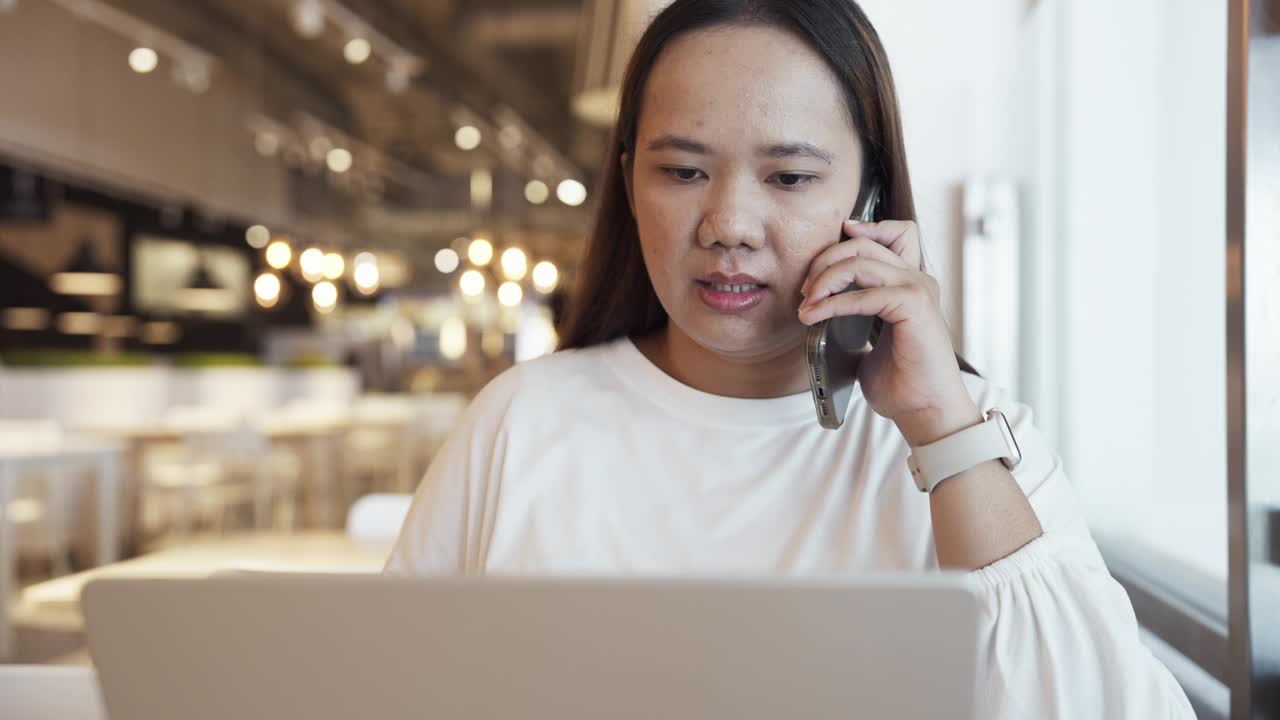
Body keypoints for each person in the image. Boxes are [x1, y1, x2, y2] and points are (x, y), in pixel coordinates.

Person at [385, 0, 1195, 716]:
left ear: (868, 199)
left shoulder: (975, 439)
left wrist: (939, 426)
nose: (729, 222)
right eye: (684, 170)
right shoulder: (519, 423)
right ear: (631, 185)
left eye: (791, 175)